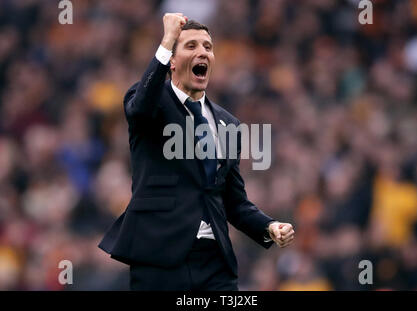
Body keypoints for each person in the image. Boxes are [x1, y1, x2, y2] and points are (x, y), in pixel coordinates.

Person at [98, 13, 295, 290]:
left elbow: (233, 201)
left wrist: (268, 227)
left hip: (215, 262)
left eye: (208, 47)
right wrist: (167, 39)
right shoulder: (151, 103)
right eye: (191, 46)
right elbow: (140, 109)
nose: (202, 51)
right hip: (159, 257)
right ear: (173, 61)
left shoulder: (229, 123)